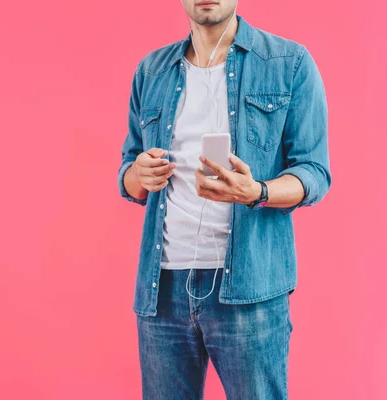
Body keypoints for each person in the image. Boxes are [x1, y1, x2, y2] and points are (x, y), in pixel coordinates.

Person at [117, 1, 332, 398]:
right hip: (162, 288)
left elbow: (314, 172)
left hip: (249, 290)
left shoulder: (289, 63)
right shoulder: (151, 71)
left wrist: (258, 192)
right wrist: (138, 174)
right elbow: (129, 176)